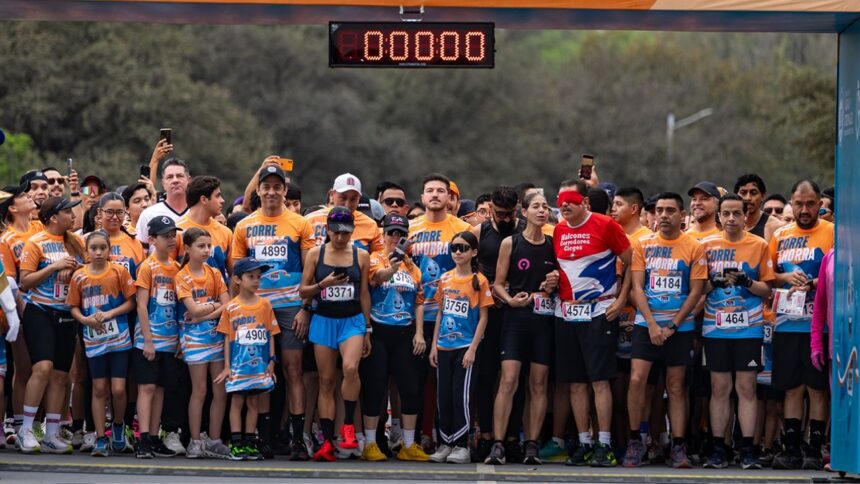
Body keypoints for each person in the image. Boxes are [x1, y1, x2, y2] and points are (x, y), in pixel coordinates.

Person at [232, 165, 315, 461]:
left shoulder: (299, 223)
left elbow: (309, 269)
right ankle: (263, 438)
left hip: (291, 306)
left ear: (284, 189)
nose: (271, 191)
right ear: (258, 190)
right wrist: (233, 310)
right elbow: (236, 272)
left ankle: (296, 439)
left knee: (293, 370)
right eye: (265, 186)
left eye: (276, 186)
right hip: (256, 307)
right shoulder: (243, 225)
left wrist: (306, 308)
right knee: (261, 370)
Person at [623, 192, 707, 469]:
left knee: (676, 387)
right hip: (646, 324)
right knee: (637, 380)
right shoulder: (642, 245)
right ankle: (635, 441)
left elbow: (696, 292)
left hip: (679, 328)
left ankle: (679, 445)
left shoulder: (694, 246)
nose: (663, 215)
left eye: (670, 210)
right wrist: (651, 323)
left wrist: (672, 326)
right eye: (659, 210)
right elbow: (637, 287)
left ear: (682, 216)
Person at [553, 180, 631, 468]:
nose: (564, 204)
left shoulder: (605, 224)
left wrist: (622, 300)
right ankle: (584, 442)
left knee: (599, 381)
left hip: (599, 311)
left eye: (571, 198)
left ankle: (604, 444)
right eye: (560, 198)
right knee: (575, 383)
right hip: (566, 313)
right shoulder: (559, 229)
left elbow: (631, 262)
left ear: (585, 201)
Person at [700, 194, 775, 470]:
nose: (731, 219)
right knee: (719, 388)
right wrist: (713, 282)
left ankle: (748, 449)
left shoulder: (759, 245)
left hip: (749, 328)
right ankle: (718, 447)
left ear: (746, 216)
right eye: (726, 214)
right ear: (718, 216)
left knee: (746, 387)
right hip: (715, 328)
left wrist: (746, 281)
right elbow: (697, 288)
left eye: (736, 214)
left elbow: (768, 290)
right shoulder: (705, 245)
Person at [485, 192, 558, 465]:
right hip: (515, 319)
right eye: (535, 206)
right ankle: (499, 444)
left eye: (545, 207)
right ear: (523, 212)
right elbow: (498, 284)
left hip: (543, 320)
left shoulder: (553, 244)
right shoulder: (510, 242)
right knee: (508, 380)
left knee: (538, 384)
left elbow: (562, 280)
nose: (541, 211)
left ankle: (531, 445)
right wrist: (510, 300)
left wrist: (555, 280)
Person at [769, 180, 833, 470]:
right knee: (792, 388)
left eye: (810, 204)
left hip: (819, 327)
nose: (804, 209)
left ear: (820, 204)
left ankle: (815, 449)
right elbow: (769, 276)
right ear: (791, 205)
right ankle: (792, 448)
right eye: (799, 204)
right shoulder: (780, 235)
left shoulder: (833, 233)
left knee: (817, 389)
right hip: (786, 323)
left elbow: (840, 272)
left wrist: (814, 284)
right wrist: (786, 279)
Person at [299, 206, 372, 462]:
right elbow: (303, 291)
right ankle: (327, 441)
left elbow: (364, 294)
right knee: (326, 380)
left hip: (351, 321)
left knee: (351, 368)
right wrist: (323, 285)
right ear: (328, 230)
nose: (341, 237)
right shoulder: (315, 255)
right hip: (324, 320)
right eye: (337, 232)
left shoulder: (361, 256)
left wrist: (368, 328)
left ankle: (348, 427)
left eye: (346, 232)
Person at [408, 173, 472, 452]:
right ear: (422, 197)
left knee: (447, 384)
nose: (435, 195)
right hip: (416, 314)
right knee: (415, 381)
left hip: (451, 317)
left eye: (440, 191)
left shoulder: (463, 229)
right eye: (429, 191)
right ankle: (419, 435)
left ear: (450, 198)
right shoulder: (409, 229)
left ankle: (452, 436)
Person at [16, 197, 85, 453]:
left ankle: (52, 432)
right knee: (42, 368)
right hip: (40, 311)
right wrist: (55, 267)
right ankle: (26, 428)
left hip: (66, 313)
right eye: (68, 211)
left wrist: (74, 271)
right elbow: (25, 282)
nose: (73, 215)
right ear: (54, 217)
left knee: (60, 375)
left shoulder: (76, 241)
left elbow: (88, 271)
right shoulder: (36, 242)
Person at [359, 213, 429, 462]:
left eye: (401, 234)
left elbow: (419, 301)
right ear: (383, 233)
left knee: (410, 388)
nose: (395, 238)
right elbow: (376, 279)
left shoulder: (413, 266)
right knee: (375, 388)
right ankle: (369, 443)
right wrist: (393, 266)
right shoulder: (374, 258)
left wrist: (419, 333)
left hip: (405, 332)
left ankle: (408, 444)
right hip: (378, 331)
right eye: (391, 233)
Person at [67, 230, 137, 456]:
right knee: (99, 388)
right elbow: (74, 307)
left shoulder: (118, 271)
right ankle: (99, 437)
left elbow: (131, 303)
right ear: (86, 251)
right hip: (94, 339)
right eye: (93, 248)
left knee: (118, 389)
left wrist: (109, 315)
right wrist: (85, 319)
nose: (98, 252)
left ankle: (118, 426)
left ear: (109, 250)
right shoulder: (79, 276)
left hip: (119, 339)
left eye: (102, 248)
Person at [428, 231, 492, 464]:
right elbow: (440, 313)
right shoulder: (445, 278)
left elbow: (483, 318)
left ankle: (461, 444)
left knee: (460, 396)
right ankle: (444, 442)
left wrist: (473, 348)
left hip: (465, 346)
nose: (457, 252)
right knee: (442, 395)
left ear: (473, 252)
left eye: (463, 248)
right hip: (444, 346)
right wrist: (434, 345)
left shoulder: (480, 281)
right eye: (454, 248)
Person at [471, 185, 524, 460]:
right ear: (490, 207)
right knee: (486, 374)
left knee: (514, 377)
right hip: (488, 310)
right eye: (500, 213)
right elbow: (469, 267)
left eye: (510, 214)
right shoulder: (481, 232)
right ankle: (487, 434)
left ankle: (513, 436)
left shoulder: (522, 229)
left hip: (516, 308)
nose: (505, 219)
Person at [215, 257, 280, 461]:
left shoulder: (265, 305)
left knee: (253, 402)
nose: (255, 281)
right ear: (237, 279)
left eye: (258, 277)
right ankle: (237, 443)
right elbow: (227, 337)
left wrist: (271, 360)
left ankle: (251, 442)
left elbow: (270, 333)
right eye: (250, 276)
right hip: (238, 365)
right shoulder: (231, 307)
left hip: (259, 365)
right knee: (237, 401)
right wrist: (226, 366)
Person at [176, 227, 232, 459]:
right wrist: (212, 308)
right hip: (194, 340)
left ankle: (215, 439)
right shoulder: (182, 276)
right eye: (201, 246)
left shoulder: (215, 273)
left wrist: (205, 313)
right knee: (199, 390)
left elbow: (228, 305)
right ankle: (195, 441)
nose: (207, 250)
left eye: (209, 245)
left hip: (217, 338)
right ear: (187, 248)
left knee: (220, 390)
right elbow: (193, 309)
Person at [133, 216, 183, 459]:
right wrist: (148, 339)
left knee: (162, 388)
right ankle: (142, 438)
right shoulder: (147, 267)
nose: (171, 240)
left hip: (170, 337)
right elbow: (141, 305)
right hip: (149, 338)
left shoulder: (176, 268)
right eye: (166, 236)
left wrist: (179, 339)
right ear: (152, 239)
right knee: (148, 387)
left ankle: (154, 436)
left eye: (173, 234)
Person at [609, 187, 652, 452]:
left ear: (634, 208)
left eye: (618, 204)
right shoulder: (612, 234)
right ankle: (617, 441)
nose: (612, 209)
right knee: (615, 388)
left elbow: (638, 283)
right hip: (611, 320)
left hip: (638, 320)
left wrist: (625, 301)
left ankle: (643, 440)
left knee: (641, 387)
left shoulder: (647, 239)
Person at [0, 183, 40, 446]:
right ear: (12, 208)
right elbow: (9, 283)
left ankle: (36, 424)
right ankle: (14, 424)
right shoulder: (6, 239)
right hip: (22, 311)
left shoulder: (40, 229)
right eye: (25, 195)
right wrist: (18, 315)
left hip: (46, 310)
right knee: (22, 368)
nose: (31, 197)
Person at [305, 173, 383, 252]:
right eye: (343, 198)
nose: (347, 204)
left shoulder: (370, 225)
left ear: (359, 199)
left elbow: (380, 256)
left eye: (353, 199)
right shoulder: (311, 220)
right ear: (332, 195)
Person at [176, 176, 231, 283]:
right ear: (204, 199)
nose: (222, 201)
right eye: (218, 196)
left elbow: (233, 274)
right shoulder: (177, 231)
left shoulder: (226, 232)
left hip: (220, 298)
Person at [136, 158, 190, 246]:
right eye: (170, 177)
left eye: (180, 176)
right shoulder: (149, 214)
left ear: (189, 180)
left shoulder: (199, 212)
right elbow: (141, 253)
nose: (175, 180)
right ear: (163, 183)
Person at [97, 193, 145, 278]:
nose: (115, 217)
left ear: (125, 212)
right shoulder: (88, 240)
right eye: (109, 212)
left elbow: (141, 278)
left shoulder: (135, 243)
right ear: (100, 212)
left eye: (119, 212)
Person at [734, 174, 783, 241]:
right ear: (735, 196)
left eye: (753, 193)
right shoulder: (728, 224)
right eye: (743, 193)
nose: (748, 198)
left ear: (763, 196)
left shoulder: (775, 227)